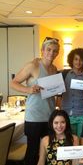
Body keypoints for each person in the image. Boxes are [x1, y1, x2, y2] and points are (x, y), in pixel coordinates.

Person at [10, 37, 60, 165]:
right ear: (42, 50)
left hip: (49, 116)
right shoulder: (32, 65)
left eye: (54, 51)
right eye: (48, 50)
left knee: (47, 150)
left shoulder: (54, 69)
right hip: (34, 117)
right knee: (33, 151)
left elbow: (53, 92)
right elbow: (13, 83)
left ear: (57, 53)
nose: (51, 53)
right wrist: (29, 89)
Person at [61, 48, 83, 137]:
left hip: (82, 114)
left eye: (81, 60)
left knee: (82, 142)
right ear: (71, 60)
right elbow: (58, 94)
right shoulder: (64, 74)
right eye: (76, 59)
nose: (78, 62)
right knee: (69, 142)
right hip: (66, 113)